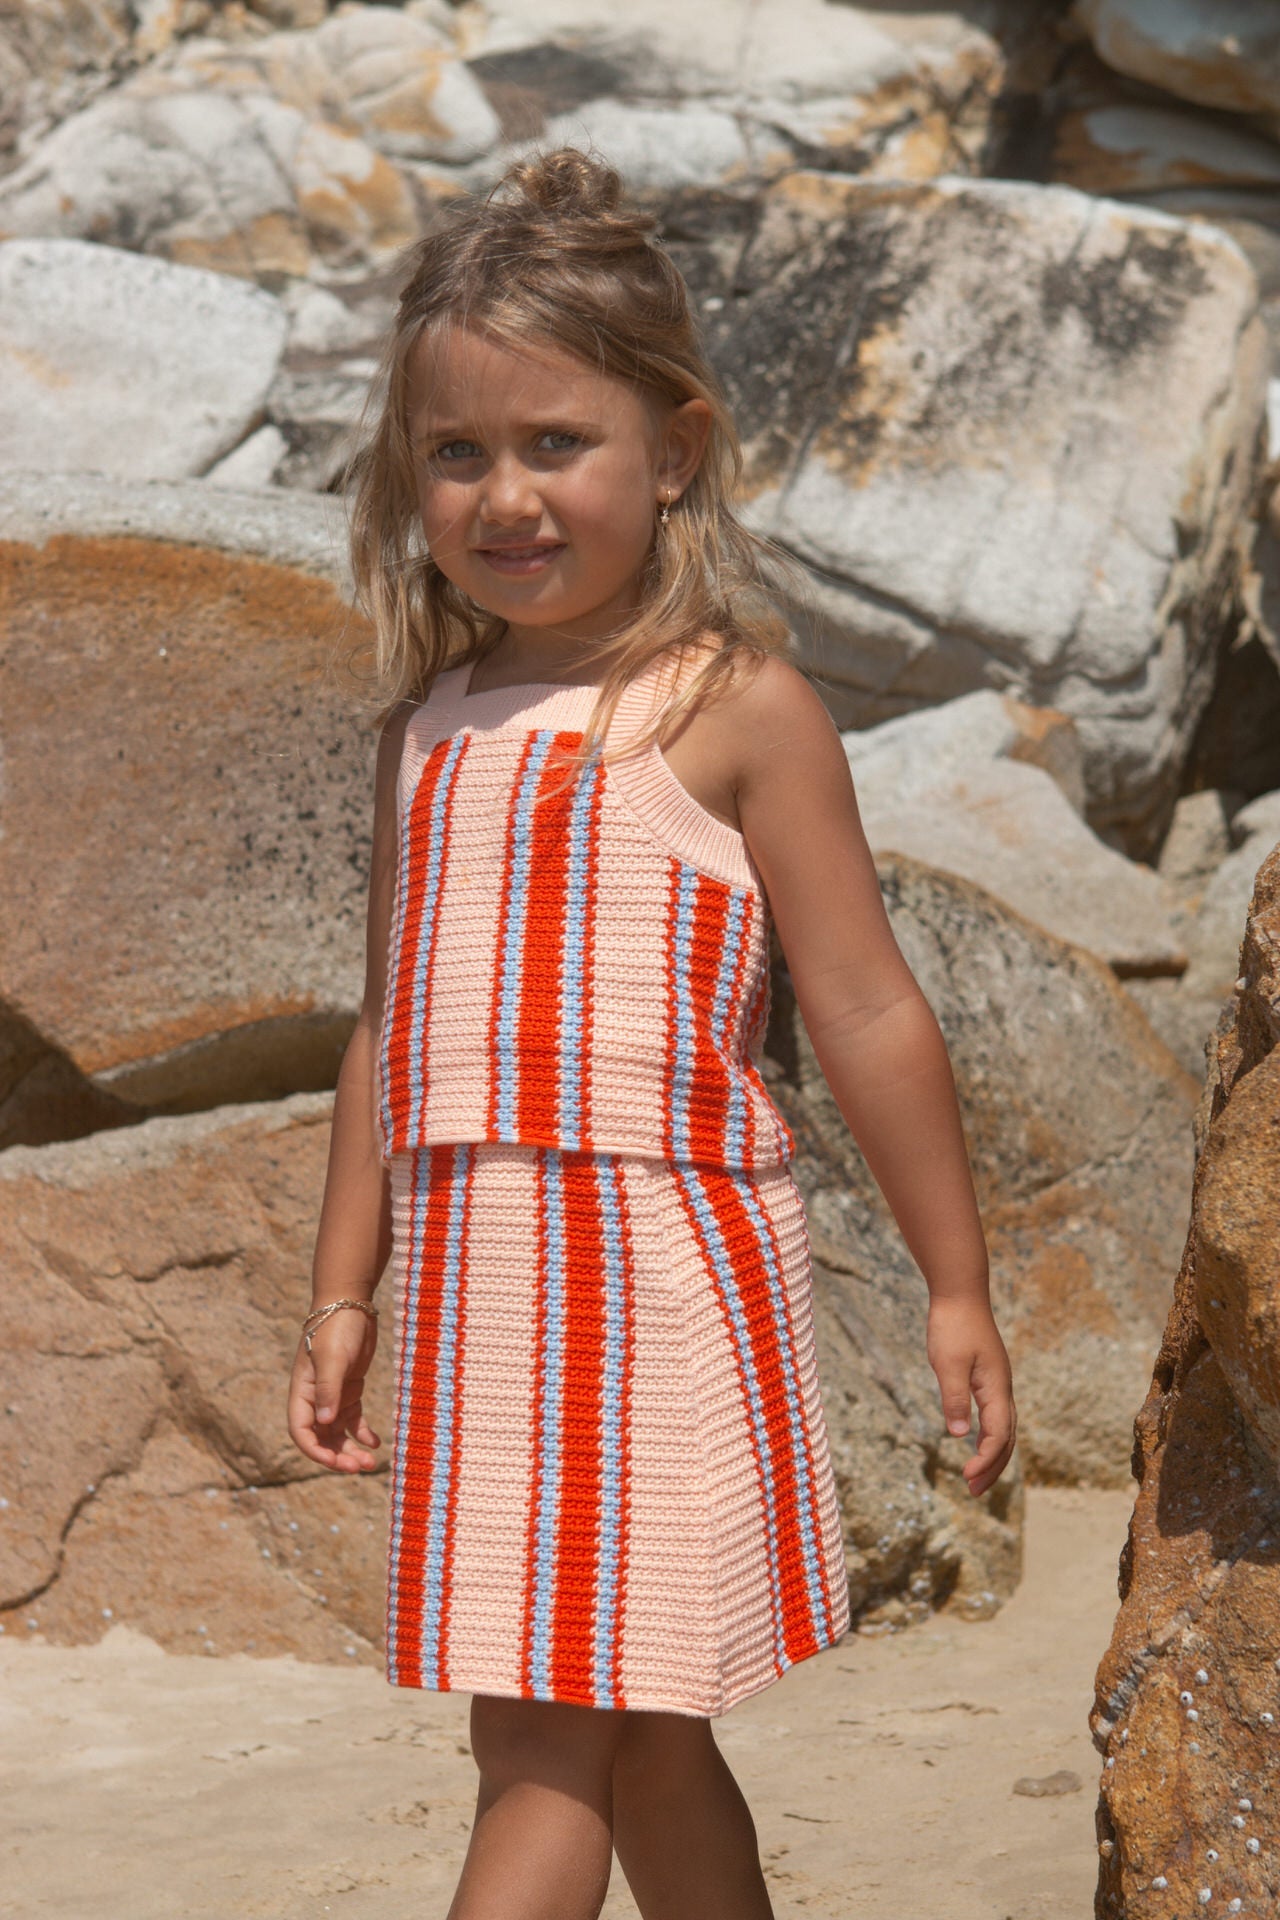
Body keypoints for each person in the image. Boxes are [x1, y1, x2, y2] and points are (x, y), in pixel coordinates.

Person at [286, 146, 1016, 1920]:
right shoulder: (431, 727)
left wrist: (955, 1283)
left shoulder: (735, 709)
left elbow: (862, 1008)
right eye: (457, 455)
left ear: (672, 451)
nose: (505, 496)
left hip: (654, 1283)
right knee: (630, 1737)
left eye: (557, 444)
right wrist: (341, 1289)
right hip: (481, 1290)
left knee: (560, 1753)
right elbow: (395, 1029)